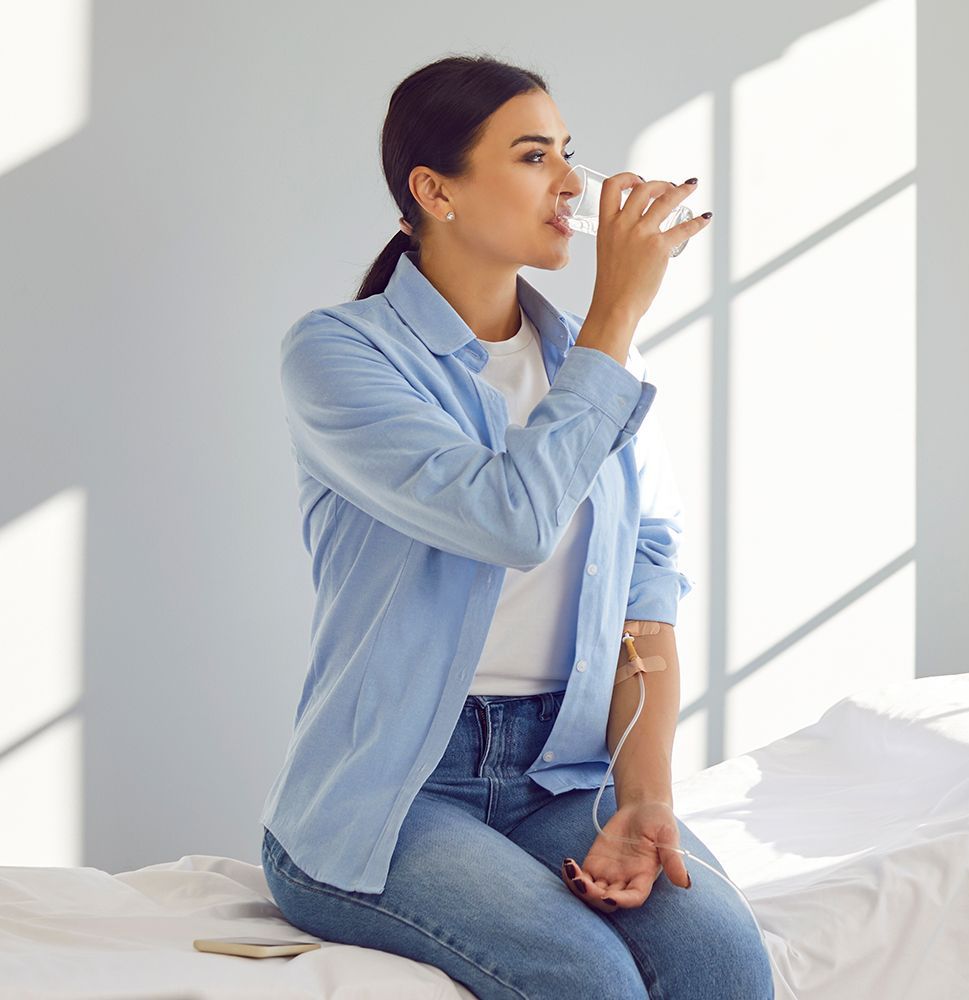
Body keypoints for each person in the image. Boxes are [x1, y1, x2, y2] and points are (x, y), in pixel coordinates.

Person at [260, 53, 773, 1000]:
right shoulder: (341, 354)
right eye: (535, 156)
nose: (574, 183)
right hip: (395, 791)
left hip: (563, 771)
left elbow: (645, 583)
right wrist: (618, 310)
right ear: (433, 190)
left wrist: (645, 796)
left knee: (722, 962)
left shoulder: (587, 362)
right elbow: (508, 519)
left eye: (569, 154)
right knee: (586, 977)